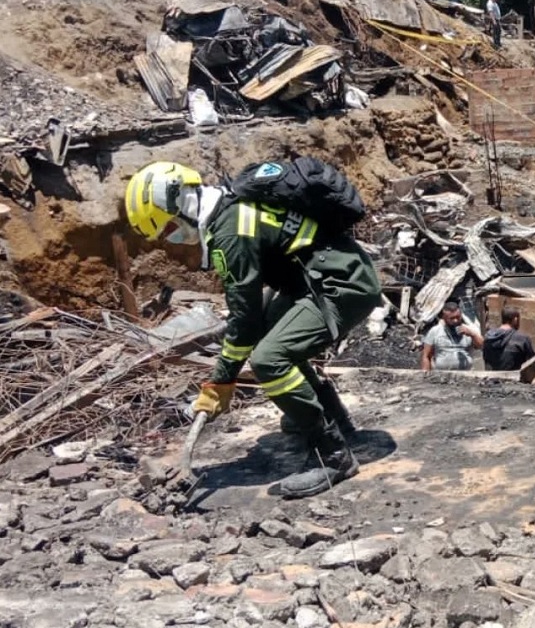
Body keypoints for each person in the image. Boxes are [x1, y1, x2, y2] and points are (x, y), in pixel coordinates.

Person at [124, 161, 382, 499]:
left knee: (268, 359)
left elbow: (243, 322)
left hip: (341, 286)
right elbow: (251, 316)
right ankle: (337, 421)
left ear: (182, 205)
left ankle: (333, 455)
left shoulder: (230, 233)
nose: (175, 239)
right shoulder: (232, 206)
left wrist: (220, 382)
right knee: (271, 336)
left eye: (171, 227)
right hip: (325, 276)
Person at [422, 300, 483, 371]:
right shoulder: (435, 331)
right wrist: (425, 376)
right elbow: (426, 356)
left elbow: (482, 346)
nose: (455, 321)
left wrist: (472, 334)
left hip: (465, 374)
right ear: (444, 318)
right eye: (451, 318)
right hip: (441, 375)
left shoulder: (469, 329)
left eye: (458, 317)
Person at [483, 305, 535, 372]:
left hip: (491, 379)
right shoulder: (522, 339)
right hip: (514, 380)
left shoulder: (488, 337)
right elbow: (533, 362)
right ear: (515, 319)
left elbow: (486, 360)